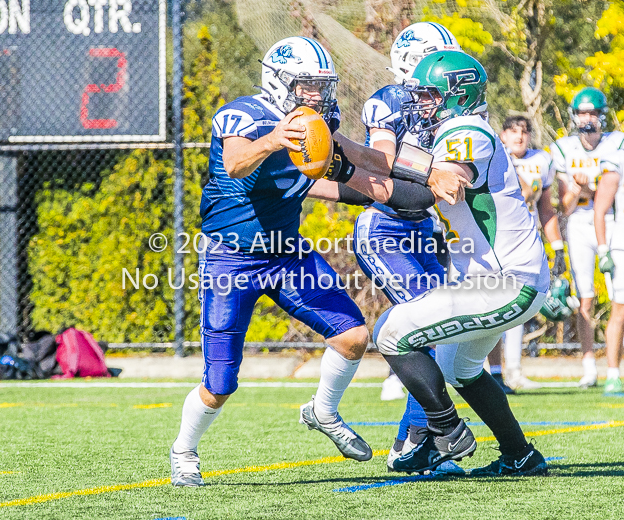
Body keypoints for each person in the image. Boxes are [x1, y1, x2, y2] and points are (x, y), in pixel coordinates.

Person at [170, 36, 469, 487]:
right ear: (279, 80)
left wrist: (429, 174)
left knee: (353, 337)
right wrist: (273, 138)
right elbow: (234, 162)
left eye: (321, 84)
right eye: (306, 84)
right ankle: (184, 451)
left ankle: (323, 411)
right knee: (220, 383)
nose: (316, 94)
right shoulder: (245, 114)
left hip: (286, 252)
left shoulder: (319, 120)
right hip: (229, 258)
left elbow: (368, 159)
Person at [373, 50, 550, 477]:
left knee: (391, 333)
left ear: (459, 95)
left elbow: (426, 193)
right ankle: (521, 456)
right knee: (458, 367)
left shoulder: (467, 130)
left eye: (430, 95)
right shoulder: (448, 131)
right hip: (493, 278)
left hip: (509, 280)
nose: (420, 104)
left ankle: (445, 432)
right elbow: (397, 165)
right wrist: (347, 159)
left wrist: (358, 167)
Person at [355, 22, 464, 474]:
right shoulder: (391, 100)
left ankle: (413, 441)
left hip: (425, 227)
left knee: (446, 330)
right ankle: (425, 438)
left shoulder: (442, 107)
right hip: (385, 229)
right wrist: (431, 169)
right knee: (430, 327)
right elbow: (381, 157)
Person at [486, 116, 566, 391]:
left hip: (525, 240)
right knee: (493, 305)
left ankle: (514, 371)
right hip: (493, 238)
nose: (519, 136)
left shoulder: (541, 160)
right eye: (513, 131)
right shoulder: (491, 153)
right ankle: (494, 372)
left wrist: (557, 247)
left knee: (519, 306)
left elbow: (546, 208)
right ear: (503, 134)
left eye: (524, 131)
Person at [551, 87, 624, 387]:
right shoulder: (564, 148)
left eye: (592, 112)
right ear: (574, 116)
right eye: (583, 113)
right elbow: (564, 207)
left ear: (602, 115)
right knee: (585, 298)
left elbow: (610, 190)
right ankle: (588, 367)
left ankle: (612, 370)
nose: (587, 118)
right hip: (580, 223)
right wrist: (579, 191)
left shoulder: (615, 142)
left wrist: (590, 189)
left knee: (618, 299)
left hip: (613, 221)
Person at [594, 152, 624, 393]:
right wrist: (603, 249)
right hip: (621, 246)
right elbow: (600, 208)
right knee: (620, 310)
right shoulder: (618, 159)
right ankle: (613, 374)